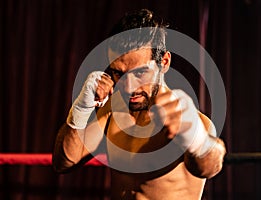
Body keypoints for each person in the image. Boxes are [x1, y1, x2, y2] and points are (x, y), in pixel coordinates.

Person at [52, 9, 226, 200]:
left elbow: (210, 166)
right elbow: (64, 162)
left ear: (165, 62)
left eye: (140, 73)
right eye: (119, 73)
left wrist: (198, 140)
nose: (128, 87)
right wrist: (81, 109)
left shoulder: (185, 119)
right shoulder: (112, 111)